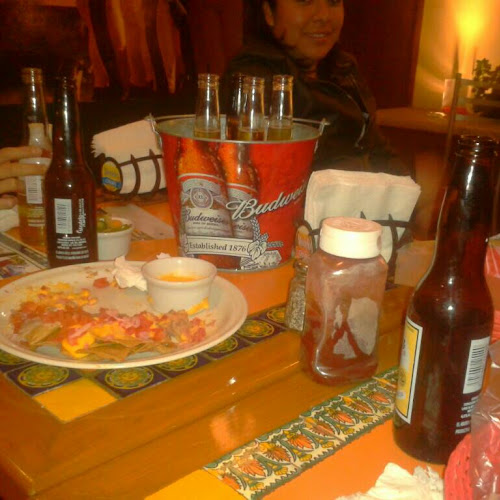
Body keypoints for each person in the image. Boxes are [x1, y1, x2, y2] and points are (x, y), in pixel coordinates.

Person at [221, 0, 410, 176]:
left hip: (369, 191)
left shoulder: (343, 67)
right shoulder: (255, 79)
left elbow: (378, 149)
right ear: (269, 12)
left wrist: (406, 188)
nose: (323, 16)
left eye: (333, 1)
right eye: (305, 1)